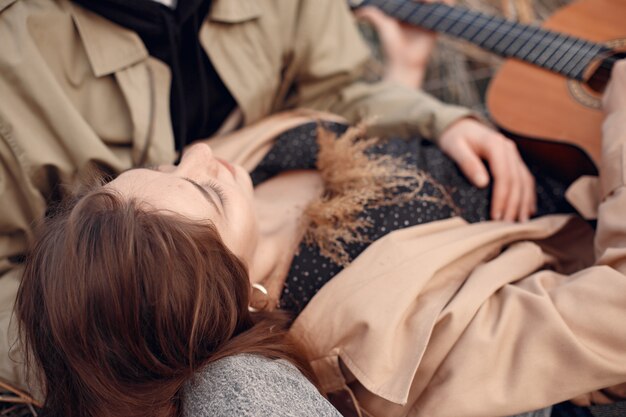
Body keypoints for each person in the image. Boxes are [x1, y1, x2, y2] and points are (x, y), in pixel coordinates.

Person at [14, 60, 626, 417]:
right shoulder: (393, 354)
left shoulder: (174, 221)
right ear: (237, 291)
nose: (201, 152)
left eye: (170, 166)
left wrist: (406, 77)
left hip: (523, 127)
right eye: (206, 190)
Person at [0, 0, 536, 390]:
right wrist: (152, 354)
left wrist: (435, 118)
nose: (200, 151)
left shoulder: (227, 169)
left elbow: (336, 88)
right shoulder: (11, 53)